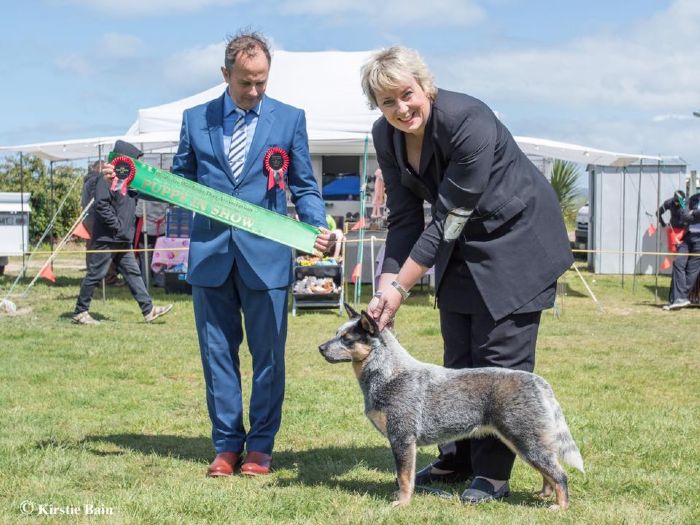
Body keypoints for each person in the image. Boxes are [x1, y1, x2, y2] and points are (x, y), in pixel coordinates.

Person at [361, 46, 573, 504]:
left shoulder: (467, 119)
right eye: (387, 102)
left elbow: (446, 219)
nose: (401, 109)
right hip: (460, 245)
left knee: (498, 357)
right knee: (457, 356)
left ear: (425, 86)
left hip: (517, 240)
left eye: (407, 94)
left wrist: (401, 288)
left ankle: (492, 474)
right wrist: (384, 288)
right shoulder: (386, 135)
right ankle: (456, 458)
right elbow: (404, 218)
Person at [168, 31, 331, 477]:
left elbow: (304, 185)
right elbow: (179, 182)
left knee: (268, 359)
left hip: (268, 261)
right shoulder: (195, 119)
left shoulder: (290, 119)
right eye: (246, 82)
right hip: (210, 257)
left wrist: (315, 226)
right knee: (217, 356)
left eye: (262, 81)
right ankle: (226, 445)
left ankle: (260, 446)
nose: (255, 90)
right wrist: (140, 184)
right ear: (225, 74)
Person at [72, 142, 173, 325]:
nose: (138, 164)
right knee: (95, 274)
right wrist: (117, 226)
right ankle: (80, 312)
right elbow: (101, 205)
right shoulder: (106, 178)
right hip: (108, 238)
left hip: (122, 239)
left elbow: (138, 198)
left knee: (133, 273)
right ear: (124, 159)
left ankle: (148, 310)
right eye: (135, 160)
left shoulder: (128, 180)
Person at [663, 191, 700, 310]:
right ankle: (679, 298)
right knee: (678, 263)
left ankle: (680, 298)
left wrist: (692, 212)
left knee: (692, 270)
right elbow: (685, 216)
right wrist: (691, 213)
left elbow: (689, 216)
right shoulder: (694, 198)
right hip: (687, 236)